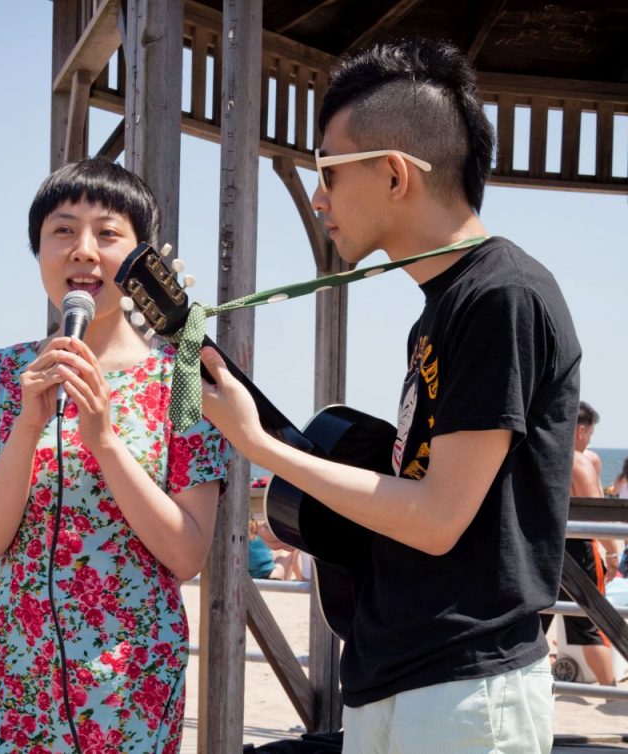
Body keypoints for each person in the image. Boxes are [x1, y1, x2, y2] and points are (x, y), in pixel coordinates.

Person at [200, 38, 581, 753]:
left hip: (463, 690)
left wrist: (259, 446)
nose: (318, 199)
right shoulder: (444, 307)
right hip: (402, 679)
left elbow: (438, 517)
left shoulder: (503, 297)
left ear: (396, 174)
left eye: (328, 173)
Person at [0, 157, 230, 753]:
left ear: (144, 261)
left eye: (109, 234)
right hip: (6, 666)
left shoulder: (184, 383)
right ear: (37, 250)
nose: (84, 250)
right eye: (62, 230)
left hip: (126, 681)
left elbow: (187, 553)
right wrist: (28, 423)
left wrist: (105, 440)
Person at [548, 401, 620, 686]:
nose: (590, 438)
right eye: (590, 432)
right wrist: (613, 554)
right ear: (579, 430)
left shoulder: (541, 453)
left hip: (545, 548)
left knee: (535, 623)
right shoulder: (578, 460)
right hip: (578, 550)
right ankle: (611, 692)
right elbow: (596, 518)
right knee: (592, 626)